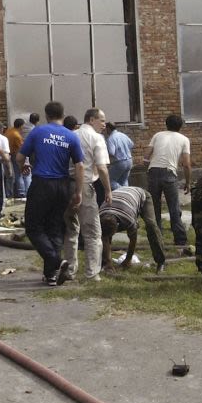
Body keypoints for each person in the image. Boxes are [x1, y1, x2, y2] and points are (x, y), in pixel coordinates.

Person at [17, 101, 84, 286]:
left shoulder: (37, 132)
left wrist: (23, 167)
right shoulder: (71, 136)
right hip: (62, 186)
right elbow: (79, 165)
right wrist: (78, 192)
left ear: (46, 115)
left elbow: (20, 156)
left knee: (33, 227)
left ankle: (55, 261)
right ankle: (51, 275)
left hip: (42, 183)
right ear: (63, 115)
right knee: (55, 228)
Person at [63, 108, 111, 282]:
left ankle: (69, 269)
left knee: (71, 229)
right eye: (102, 120)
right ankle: (92, 272)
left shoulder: (70, 135)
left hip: (66, 185)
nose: (104, 125)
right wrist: (107, 190)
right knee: (92, 231)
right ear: (92, 120)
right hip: (84, 185)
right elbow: (102, 168)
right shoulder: (96, 138)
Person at [145, 114, 192, 247]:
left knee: (154, 208)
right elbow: (187, 164)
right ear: (180, 126)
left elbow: (146, 156)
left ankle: (156, 239)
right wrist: (188, 182)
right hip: (169, 174)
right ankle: (180, 240)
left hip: (153, 171)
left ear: (166, 124)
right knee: (174, 208)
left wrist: (148, 168)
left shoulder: (157, 135)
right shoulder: (184, 139)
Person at [99, 184, 167, 273]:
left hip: (142, 195)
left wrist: (128, 259)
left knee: (151, 225)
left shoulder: (127, 218)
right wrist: (108, 263)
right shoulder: (100, 216)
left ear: (118, 226)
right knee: (104, 237)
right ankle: (106, 263)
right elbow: (104, 238)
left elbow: (133, 239)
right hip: (123, 197)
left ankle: (161, 261)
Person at [105, 122, 135, 189]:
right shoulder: (123, 135)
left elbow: (111, 153)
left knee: (110, 181)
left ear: (108, 128)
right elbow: (131, 145)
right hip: (129, 161)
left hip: (119, 162)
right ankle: (127, 195)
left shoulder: (111, 138)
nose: (105, 131)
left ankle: (123, 192)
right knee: (124, 181)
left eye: (106, 129)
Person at [4, 118, 27, 198]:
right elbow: (21, 148)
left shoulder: (9, 131)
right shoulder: (16, 135)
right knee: (19, 174)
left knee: (9, 176)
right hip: (14, 154)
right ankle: (22, 193)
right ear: (21, 126)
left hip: (6, 154)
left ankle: (8, 194)